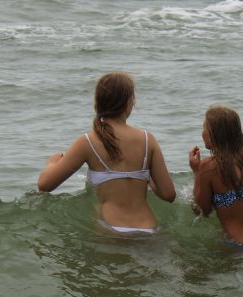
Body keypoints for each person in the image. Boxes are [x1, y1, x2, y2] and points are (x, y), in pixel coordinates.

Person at [37, 72, 175, 234]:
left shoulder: (87, 142)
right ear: (128, 103)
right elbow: (169, 194)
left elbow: (45, 185)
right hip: (148, 228)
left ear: (98, 103)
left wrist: (52, 163)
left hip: (112, 229)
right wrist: (149, 179)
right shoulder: (147, 139)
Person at [188, 105, 243, 253]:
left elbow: (200, 211)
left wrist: (197, 172)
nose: (202, 133)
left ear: (215, 133)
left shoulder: (208, 167)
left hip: (239, 247)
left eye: (204, 127)